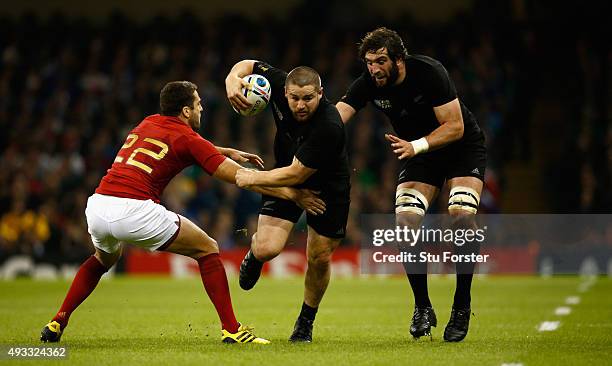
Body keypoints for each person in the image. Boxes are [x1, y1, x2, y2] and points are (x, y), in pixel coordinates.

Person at [40, 81, 327, 345]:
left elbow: (178, 145)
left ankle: (57, 321)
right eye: (199, 103)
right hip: (136, 210)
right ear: (187, 110)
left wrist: (224, 150)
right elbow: (239, 178)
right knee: (208, 249)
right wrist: (291, 193)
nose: (202, 107)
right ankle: (232, 329)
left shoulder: (147, 123)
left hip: (99, 205)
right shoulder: (188, 139)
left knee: (103, 259)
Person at [336, 27, 487, 342]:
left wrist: (416, 146)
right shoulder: (369, 83)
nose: (374, 69)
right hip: (420, 153)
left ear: (398, 59)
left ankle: (462, 303)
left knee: (460, 215)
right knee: (404, 223)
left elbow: (455, 126)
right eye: (368, 62)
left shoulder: (429, 72)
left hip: (460, 147)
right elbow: (337, 116)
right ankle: (422, 306)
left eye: (380, 61)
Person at [225, 61, 350, 342]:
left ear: (321, 93)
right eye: (294, 98)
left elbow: (298, 173)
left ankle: (305, 321)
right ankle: (255, 255)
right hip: (285, 176)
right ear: (285, 92)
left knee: (319, 256)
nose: (300, 105)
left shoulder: (329, 125)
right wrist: (232, 79)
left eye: (308, 98)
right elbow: (249, 64)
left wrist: (251, 178)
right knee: (268, 248)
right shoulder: (280, 86)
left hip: (326, 189)